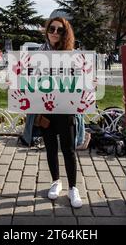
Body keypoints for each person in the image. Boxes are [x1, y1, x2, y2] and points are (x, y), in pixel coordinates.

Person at [37, 17, 83, 208]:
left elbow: (81, 79)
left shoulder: (72, 54)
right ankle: (56, 181)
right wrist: (15, 83)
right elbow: (29, 77)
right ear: (47, 30)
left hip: (66, 108)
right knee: (50, 148)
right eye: (52, 28)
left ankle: (73, 187)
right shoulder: (38, 53)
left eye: (60, 30)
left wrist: (89, 83)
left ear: (66, 33)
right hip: (45, 107)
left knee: (68, 149)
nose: (55, 32)